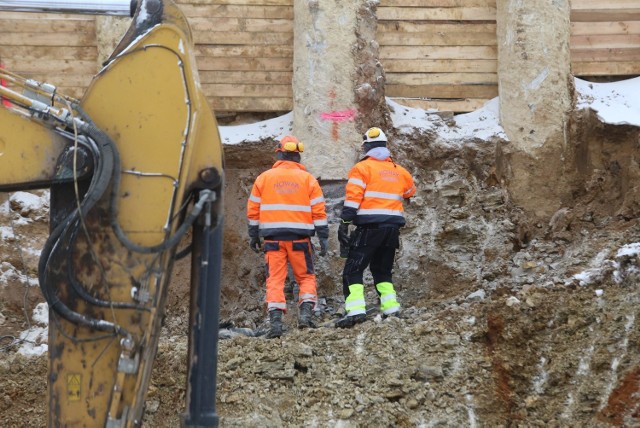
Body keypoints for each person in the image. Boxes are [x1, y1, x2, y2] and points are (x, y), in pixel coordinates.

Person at [247, 135, 329, 338]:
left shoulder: (264, 178)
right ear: (298, 157)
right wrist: (323, 236)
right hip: (300, 240)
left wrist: (253, 235)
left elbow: (253, 210)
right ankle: (306, 317)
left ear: (280, 154)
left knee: (274, 279)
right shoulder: (308, 179)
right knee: (305, 277)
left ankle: (276, 324)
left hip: (273, 240)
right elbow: (318, 211)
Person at [336, 127, 416, 328]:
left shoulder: (362, 169)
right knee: (382, 271)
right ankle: (391, 309)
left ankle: (355, 311)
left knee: (353, 270)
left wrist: (344, 224)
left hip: (369, 229)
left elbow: (353, 200)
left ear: (366, 147)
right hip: (392, 230)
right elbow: (409, 192)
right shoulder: (400, 171)